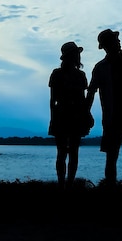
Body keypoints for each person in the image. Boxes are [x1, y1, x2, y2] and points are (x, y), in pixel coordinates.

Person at [86, 29, 122, 186]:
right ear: (107, 45)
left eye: (118, 40)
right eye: (115, 40)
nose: (119, 42)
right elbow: (91, 92)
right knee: (111, 156)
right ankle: (111, 190)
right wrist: (86, 113)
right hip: (113, 117)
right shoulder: (100, 68)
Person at [48, 41, 92, 189]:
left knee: (71, 152)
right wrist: (53, 118)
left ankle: (68, 184)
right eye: (75, 54)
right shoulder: (57, 74)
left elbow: (82, 98)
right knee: (64, 153)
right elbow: (53, 99)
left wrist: (86, 114)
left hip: (74, 115)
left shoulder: (80, 75)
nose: (78, 56)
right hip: (64, 115)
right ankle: (63, 184)